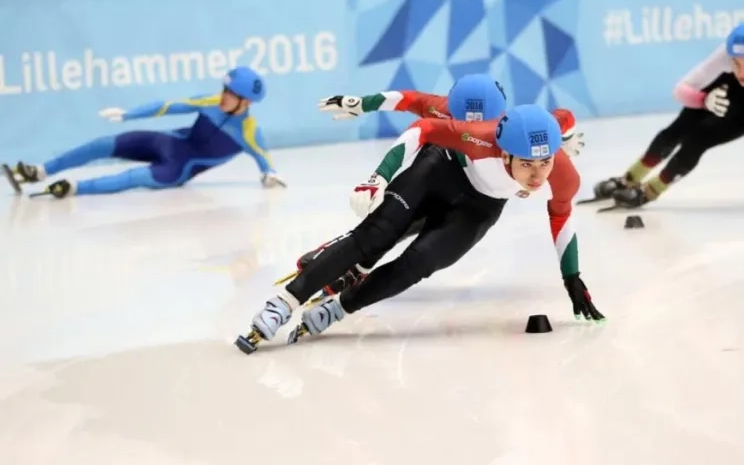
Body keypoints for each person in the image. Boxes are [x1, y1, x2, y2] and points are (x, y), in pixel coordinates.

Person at [236, 104, 603, 354]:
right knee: (375, 235)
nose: (539, 175)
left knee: (420, 262)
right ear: (504, 152)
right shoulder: (479, 136)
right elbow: (424, 127)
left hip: (480, 205)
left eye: (545, 162)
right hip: (438, 171)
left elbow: (561, 212)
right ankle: (281, 305)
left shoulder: (562, 171)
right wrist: (378, 177)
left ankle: (337, 310)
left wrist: (572, 275)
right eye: (527, 165)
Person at [279, 76, 583, 299]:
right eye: (459, 121)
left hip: (482, 194)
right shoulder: (443, 113)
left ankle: (359, 265)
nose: (469, 133)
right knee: (401, 217)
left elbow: (563, 117)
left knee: (424, 225)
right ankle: (357, 260)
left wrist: (561, 142)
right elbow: (409, 100)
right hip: (443, 163)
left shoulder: (516, 134)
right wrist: (362, 104)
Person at [587, 21, 744, 210]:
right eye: (736, 63)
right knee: (679, 127)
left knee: (700, 137)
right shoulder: (729, 55)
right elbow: (680, 90)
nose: (741, 70)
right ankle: (628, 179)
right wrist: (702, 100)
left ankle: (650, 191)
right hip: (731, 90)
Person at [3, 66, 284, 198]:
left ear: (246, 102)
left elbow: (264, 160)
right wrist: (127, 114)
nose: (223, 96)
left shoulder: (249, 131)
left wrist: (269, 175)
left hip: (177, 169)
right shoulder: (211, 102)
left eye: (231, 94)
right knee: (103, 144)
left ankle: (73, 188)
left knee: (129, 178)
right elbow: (167, 106)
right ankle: (39, 171)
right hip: (169, 143)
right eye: (224, 89)